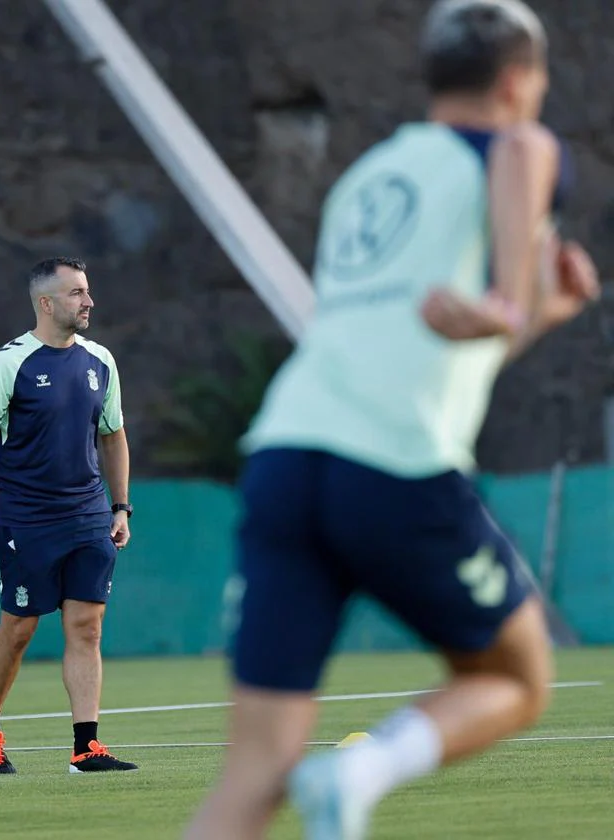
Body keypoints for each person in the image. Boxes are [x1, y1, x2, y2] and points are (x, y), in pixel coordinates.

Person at [184, 1, 600, 838]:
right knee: (519, 678)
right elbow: (524, 168)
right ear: (519, 81)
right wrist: (517, 306)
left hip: (287, 457)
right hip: (393, 465)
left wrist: (531, 316)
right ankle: (361, 771)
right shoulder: (516, 143)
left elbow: (425, 342)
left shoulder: (366, 178)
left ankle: (326, 784)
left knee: (253, 770)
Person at [0, 257, 138, 775]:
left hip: (88, 514)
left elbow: (114, 435)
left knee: (87, 626)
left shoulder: (100, 360)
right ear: (46, 303)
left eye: (87, 292)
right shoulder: (8, 364)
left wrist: (120, 506)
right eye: (77, 293)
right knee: (19, 629)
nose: (88, 301)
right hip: (26, 519)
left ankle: (86, 747)